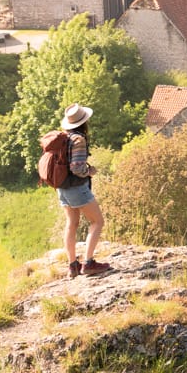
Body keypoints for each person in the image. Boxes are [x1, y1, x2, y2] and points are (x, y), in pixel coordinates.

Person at [57, 103, 107, 275]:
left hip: (62, 187)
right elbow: (77, 168)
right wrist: (90, 171)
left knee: (72, 223)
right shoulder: (78, 140)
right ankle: (89, 263)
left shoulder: (64, 137)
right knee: (98, 221)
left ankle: (73, 266)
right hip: (77, 188)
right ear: (83, 122)